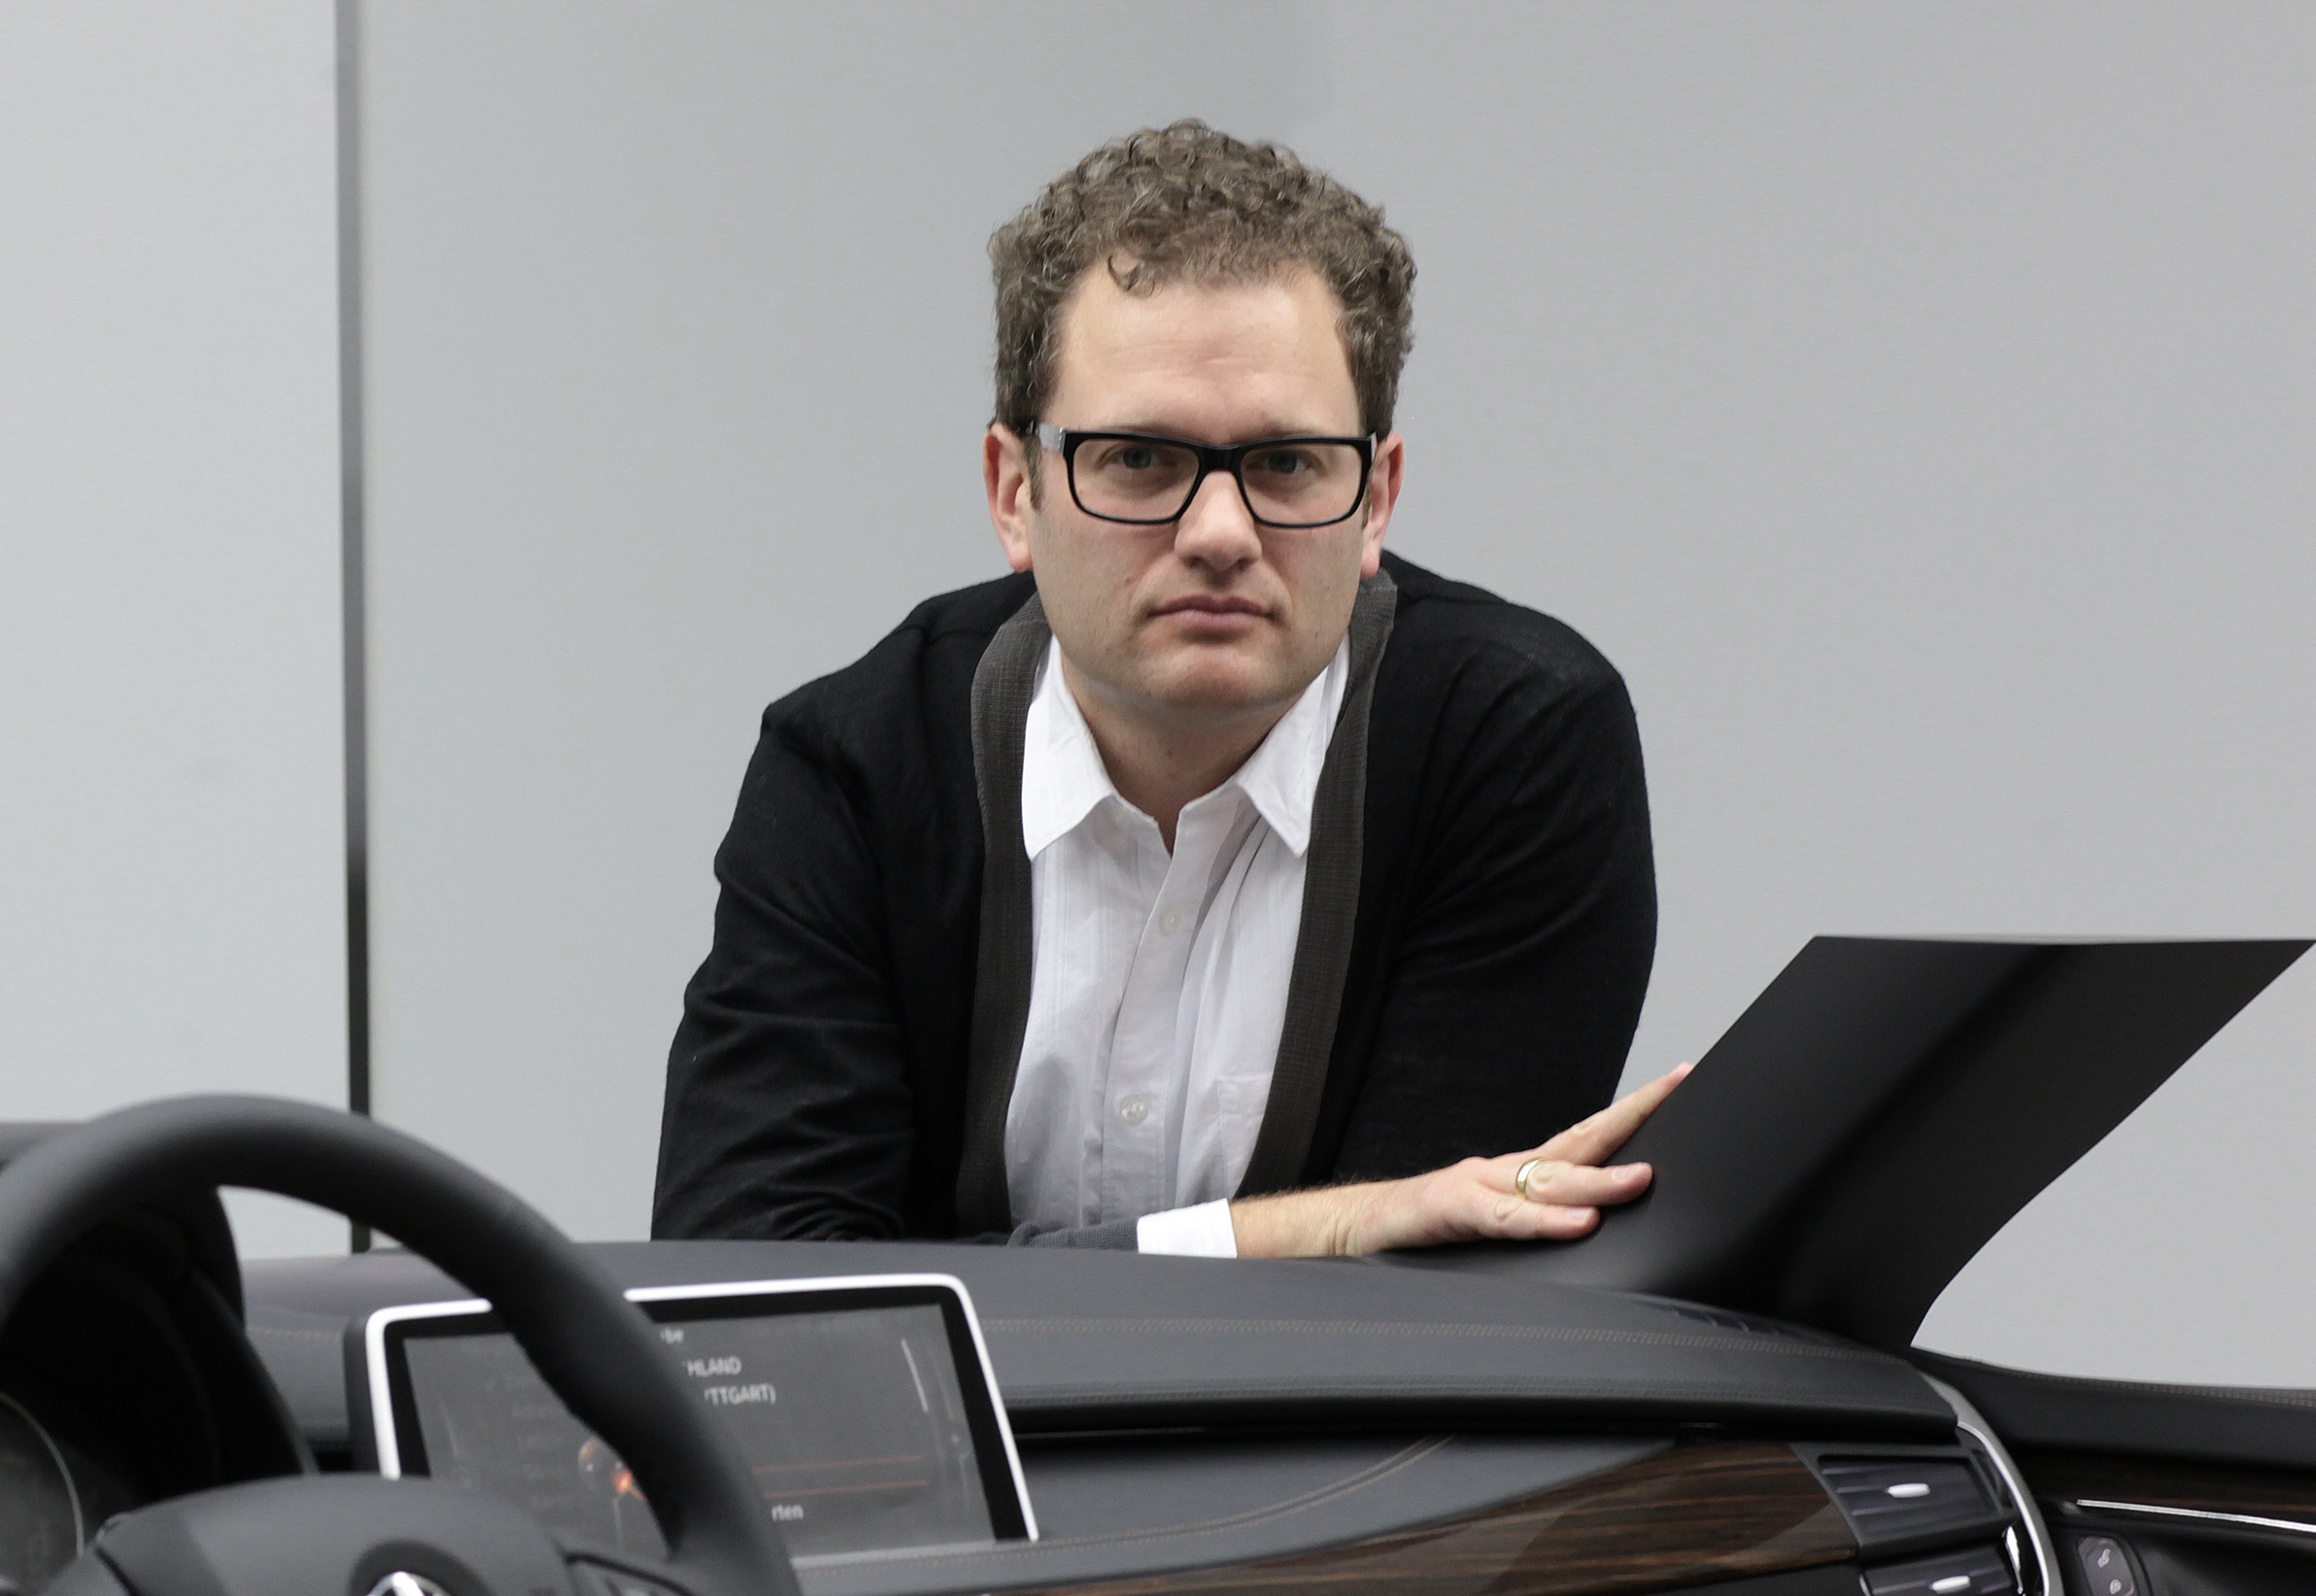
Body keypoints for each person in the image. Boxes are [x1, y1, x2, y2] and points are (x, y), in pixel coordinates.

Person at [652, 122, 1674, 1257]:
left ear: (1376, 498)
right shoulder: (856, 766)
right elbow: (758, 1292)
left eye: (1286, 463)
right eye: (1140, 459)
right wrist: (1325, 1228)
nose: (1220, 533)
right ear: (1013, 491)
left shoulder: (1515, 743)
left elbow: (1436, 1305)